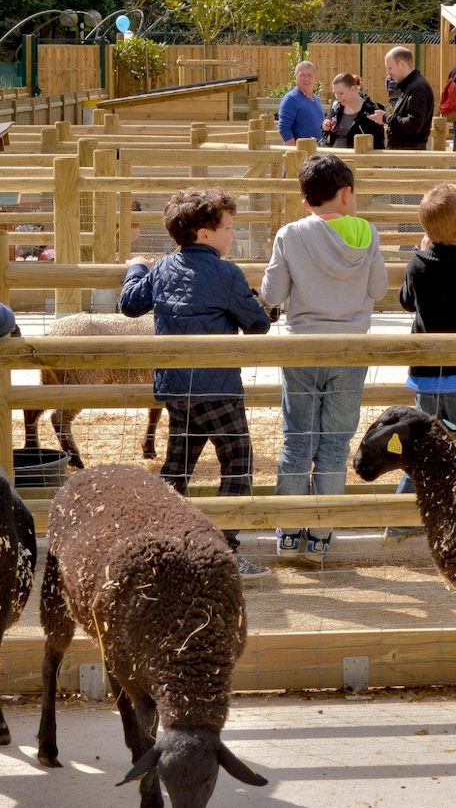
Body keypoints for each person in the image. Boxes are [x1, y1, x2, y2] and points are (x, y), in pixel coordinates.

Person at [119, 187, 272, 578]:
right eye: (228, 227)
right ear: (205, 233)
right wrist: (256, 303)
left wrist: (137, 266)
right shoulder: (226, 272)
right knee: (238, 463)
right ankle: (225, 550)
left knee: (178, 464)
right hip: (217, 387)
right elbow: (258, 325)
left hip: (175, 387)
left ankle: (156, 544)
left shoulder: (163, 268)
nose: (232, 234)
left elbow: (130, 304)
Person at [261, 154, 388, 563]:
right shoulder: (367, 233)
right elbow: (379, 289)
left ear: (306, 200)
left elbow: (273, 295)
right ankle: (321, 534)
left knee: (297, 439)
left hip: (302, 347)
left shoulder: (291, 234)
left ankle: (288, 530)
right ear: (347, 193)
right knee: (335, 443)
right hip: (350, 348)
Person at [385, 182, 456, 543]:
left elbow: (406, 302)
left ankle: (401, 519)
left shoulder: (418, 264)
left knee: (425, 449)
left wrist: (423, 253)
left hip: (427, 378)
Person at [372, 47, 434, 150]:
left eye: (390, 68)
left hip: (410, 157)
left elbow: (414, 124)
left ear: (401, 64)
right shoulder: (410, 85)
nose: (388, 72)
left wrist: (386, 118)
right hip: (405, 153)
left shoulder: (418, 88)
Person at [321, 73, 385, 149]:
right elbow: (325, 133)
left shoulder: (371, 110)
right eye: (335, 93)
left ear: (352, 89)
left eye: (341, 93)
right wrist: (325, 127)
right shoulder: (335, 106)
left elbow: (378, 143)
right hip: (335, 157)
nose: (338, 97)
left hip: (358, 159)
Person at [278, 61, 325, 146]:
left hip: (317, 152)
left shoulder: (317, 100)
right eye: (302, 75)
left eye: (309, 75)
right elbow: (284, 129)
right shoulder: (291, 99)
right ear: (295, 77)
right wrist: (296, 153)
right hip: (301, 153)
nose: (306, 79)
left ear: (315, 77)